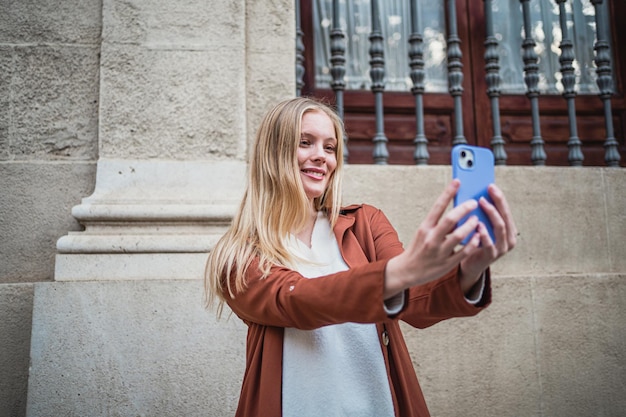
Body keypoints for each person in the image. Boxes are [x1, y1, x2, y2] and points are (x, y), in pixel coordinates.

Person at [204, 97, 517, 417]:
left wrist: (469, 269)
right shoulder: (239, 255)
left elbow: (418, 301)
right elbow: (297, 301)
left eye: (329, 148)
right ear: (274, 153)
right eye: (305, 143)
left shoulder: (365, 223)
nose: (321, 157)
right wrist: (396, 273)